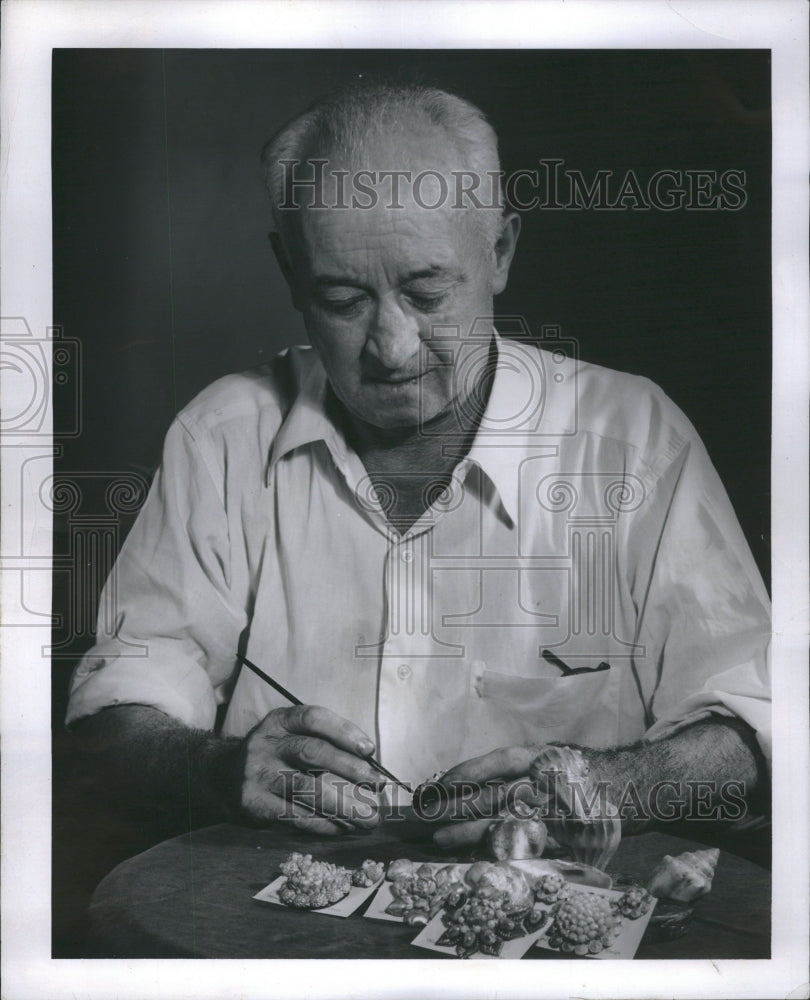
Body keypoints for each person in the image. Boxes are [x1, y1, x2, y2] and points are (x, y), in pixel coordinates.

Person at [66, 83, 771, 847]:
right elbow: (117, 714)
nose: (392, 347)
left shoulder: (634, 440)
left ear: (499, 252)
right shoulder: (221, 439)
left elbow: (756, 724)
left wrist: (605, 786)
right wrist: (213, 768)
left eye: (427, 292)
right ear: (288, 271)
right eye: (342, 300)